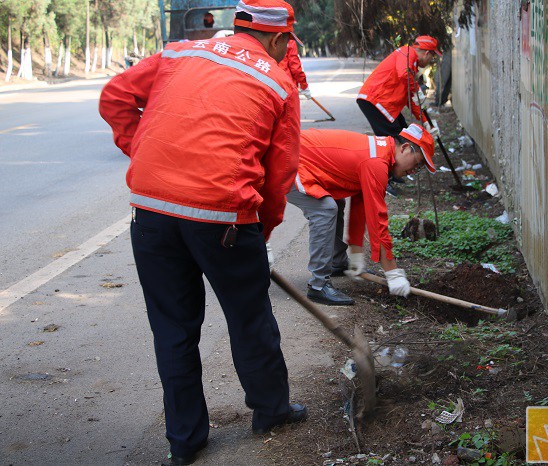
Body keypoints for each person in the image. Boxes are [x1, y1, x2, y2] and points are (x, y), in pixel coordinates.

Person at [99, 0, 306, 464]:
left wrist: (146, 153)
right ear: (278, 39)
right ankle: (270, 410)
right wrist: (263, 234)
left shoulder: (180, 52)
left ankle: (185, 441)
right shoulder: (279, 82)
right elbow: (278, 177)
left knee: (172, 327)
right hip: (223, 219)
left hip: (150, 211)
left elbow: (114, 97)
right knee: (250, 318)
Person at [286, 123, 436, 305]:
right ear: (405, 148)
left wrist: (356, 253)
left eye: (418, 169)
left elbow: (361, 203)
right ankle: (319, 286)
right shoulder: (376, 163)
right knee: (325, 209)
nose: (414, 171)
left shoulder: (382, 155)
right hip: (289, 160)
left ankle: (337, 262)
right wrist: (393, 272)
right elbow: (377, 221)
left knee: (335, 202)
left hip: (299, 155)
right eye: (417, 163)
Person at [356, 35, 442, 195]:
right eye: (432, 57)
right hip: (376, 101)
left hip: (386, 105)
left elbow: (413, 100)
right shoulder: (406, 53)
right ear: (427, 53)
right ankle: (383, 179)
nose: (430, 61)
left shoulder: (413, 65)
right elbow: (404, 75)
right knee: (391, 142)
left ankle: (394, 172)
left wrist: (426, 124)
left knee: (403, 133)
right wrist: (416, 89)